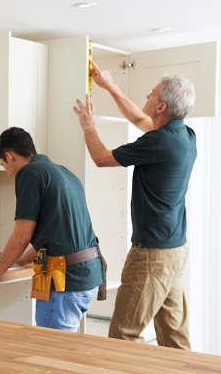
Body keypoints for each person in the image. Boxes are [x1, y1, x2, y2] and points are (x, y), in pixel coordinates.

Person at [73, 61, 196, 350]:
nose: (147, 99)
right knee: (174, 337)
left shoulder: (158, 143)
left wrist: (89, 127)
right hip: (174, 251)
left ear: (162, 107)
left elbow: (102, 158)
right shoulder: (185, 137)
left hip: (152, 255)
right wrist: (111, 87)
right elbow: (141, 120)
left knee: (123, 337)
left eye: (152, 95)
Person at [0, 127, 106, 332]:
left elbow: (22, 234)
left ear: (9, 156)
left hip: (65, 282)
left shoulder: (29, 173)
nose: (7, 171)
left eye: (3, 164)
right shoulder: (64, 173)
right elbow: (56, 233)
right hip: (89, 274)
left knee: (50, 356)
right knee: (62, 353)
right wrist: (21, 260)